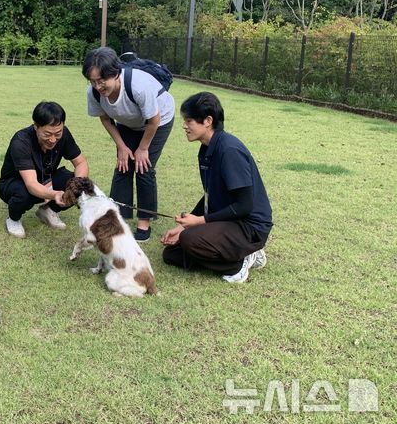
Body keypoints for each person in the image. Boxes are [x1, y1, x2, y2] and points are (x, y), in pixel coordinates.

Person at [161, 92, 273, 283]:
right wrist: (183, 225)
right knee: (171, 254)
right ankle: (236, 253)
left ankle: (242, 259)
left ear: (207, 121)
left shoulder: (229, 150)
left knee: (190, 240)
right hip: (229, 220)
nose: (184, 126)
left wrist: (200, 222)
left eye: (189, 121)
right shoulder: (206, 148)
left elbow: (245, 205)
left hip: (249, 227)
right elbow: (209, 194)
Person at [82, 47, 175, 243]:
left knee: (144, 167)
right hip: (127, 122)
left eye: (102, 80)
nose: (98, 86)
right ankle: (119, 219)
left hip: (159, 120)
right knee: (123, 166)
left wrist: (142, 149)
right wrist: (122, 147)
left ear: (115, 74)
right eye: (93, 81)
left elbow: (154, 120)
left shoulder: (138, 86)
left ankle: (144, 223)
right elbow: (106, 119)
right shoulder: (94, 93)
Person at [0, 101, 89, 238]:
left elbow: (81, 163)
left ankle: (48, 211)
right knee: (23, 193)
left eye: (57, 133)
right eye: (47, 134)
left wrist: (77, 185)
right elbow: (31, 184)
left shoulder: (64, 134)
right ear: (36, 126)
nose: (53, 139)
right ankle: (14, 219)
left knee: (79, 183)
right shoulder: (21, 141)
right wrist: (54, 195)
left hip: (45, 179)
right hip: (14, 183)